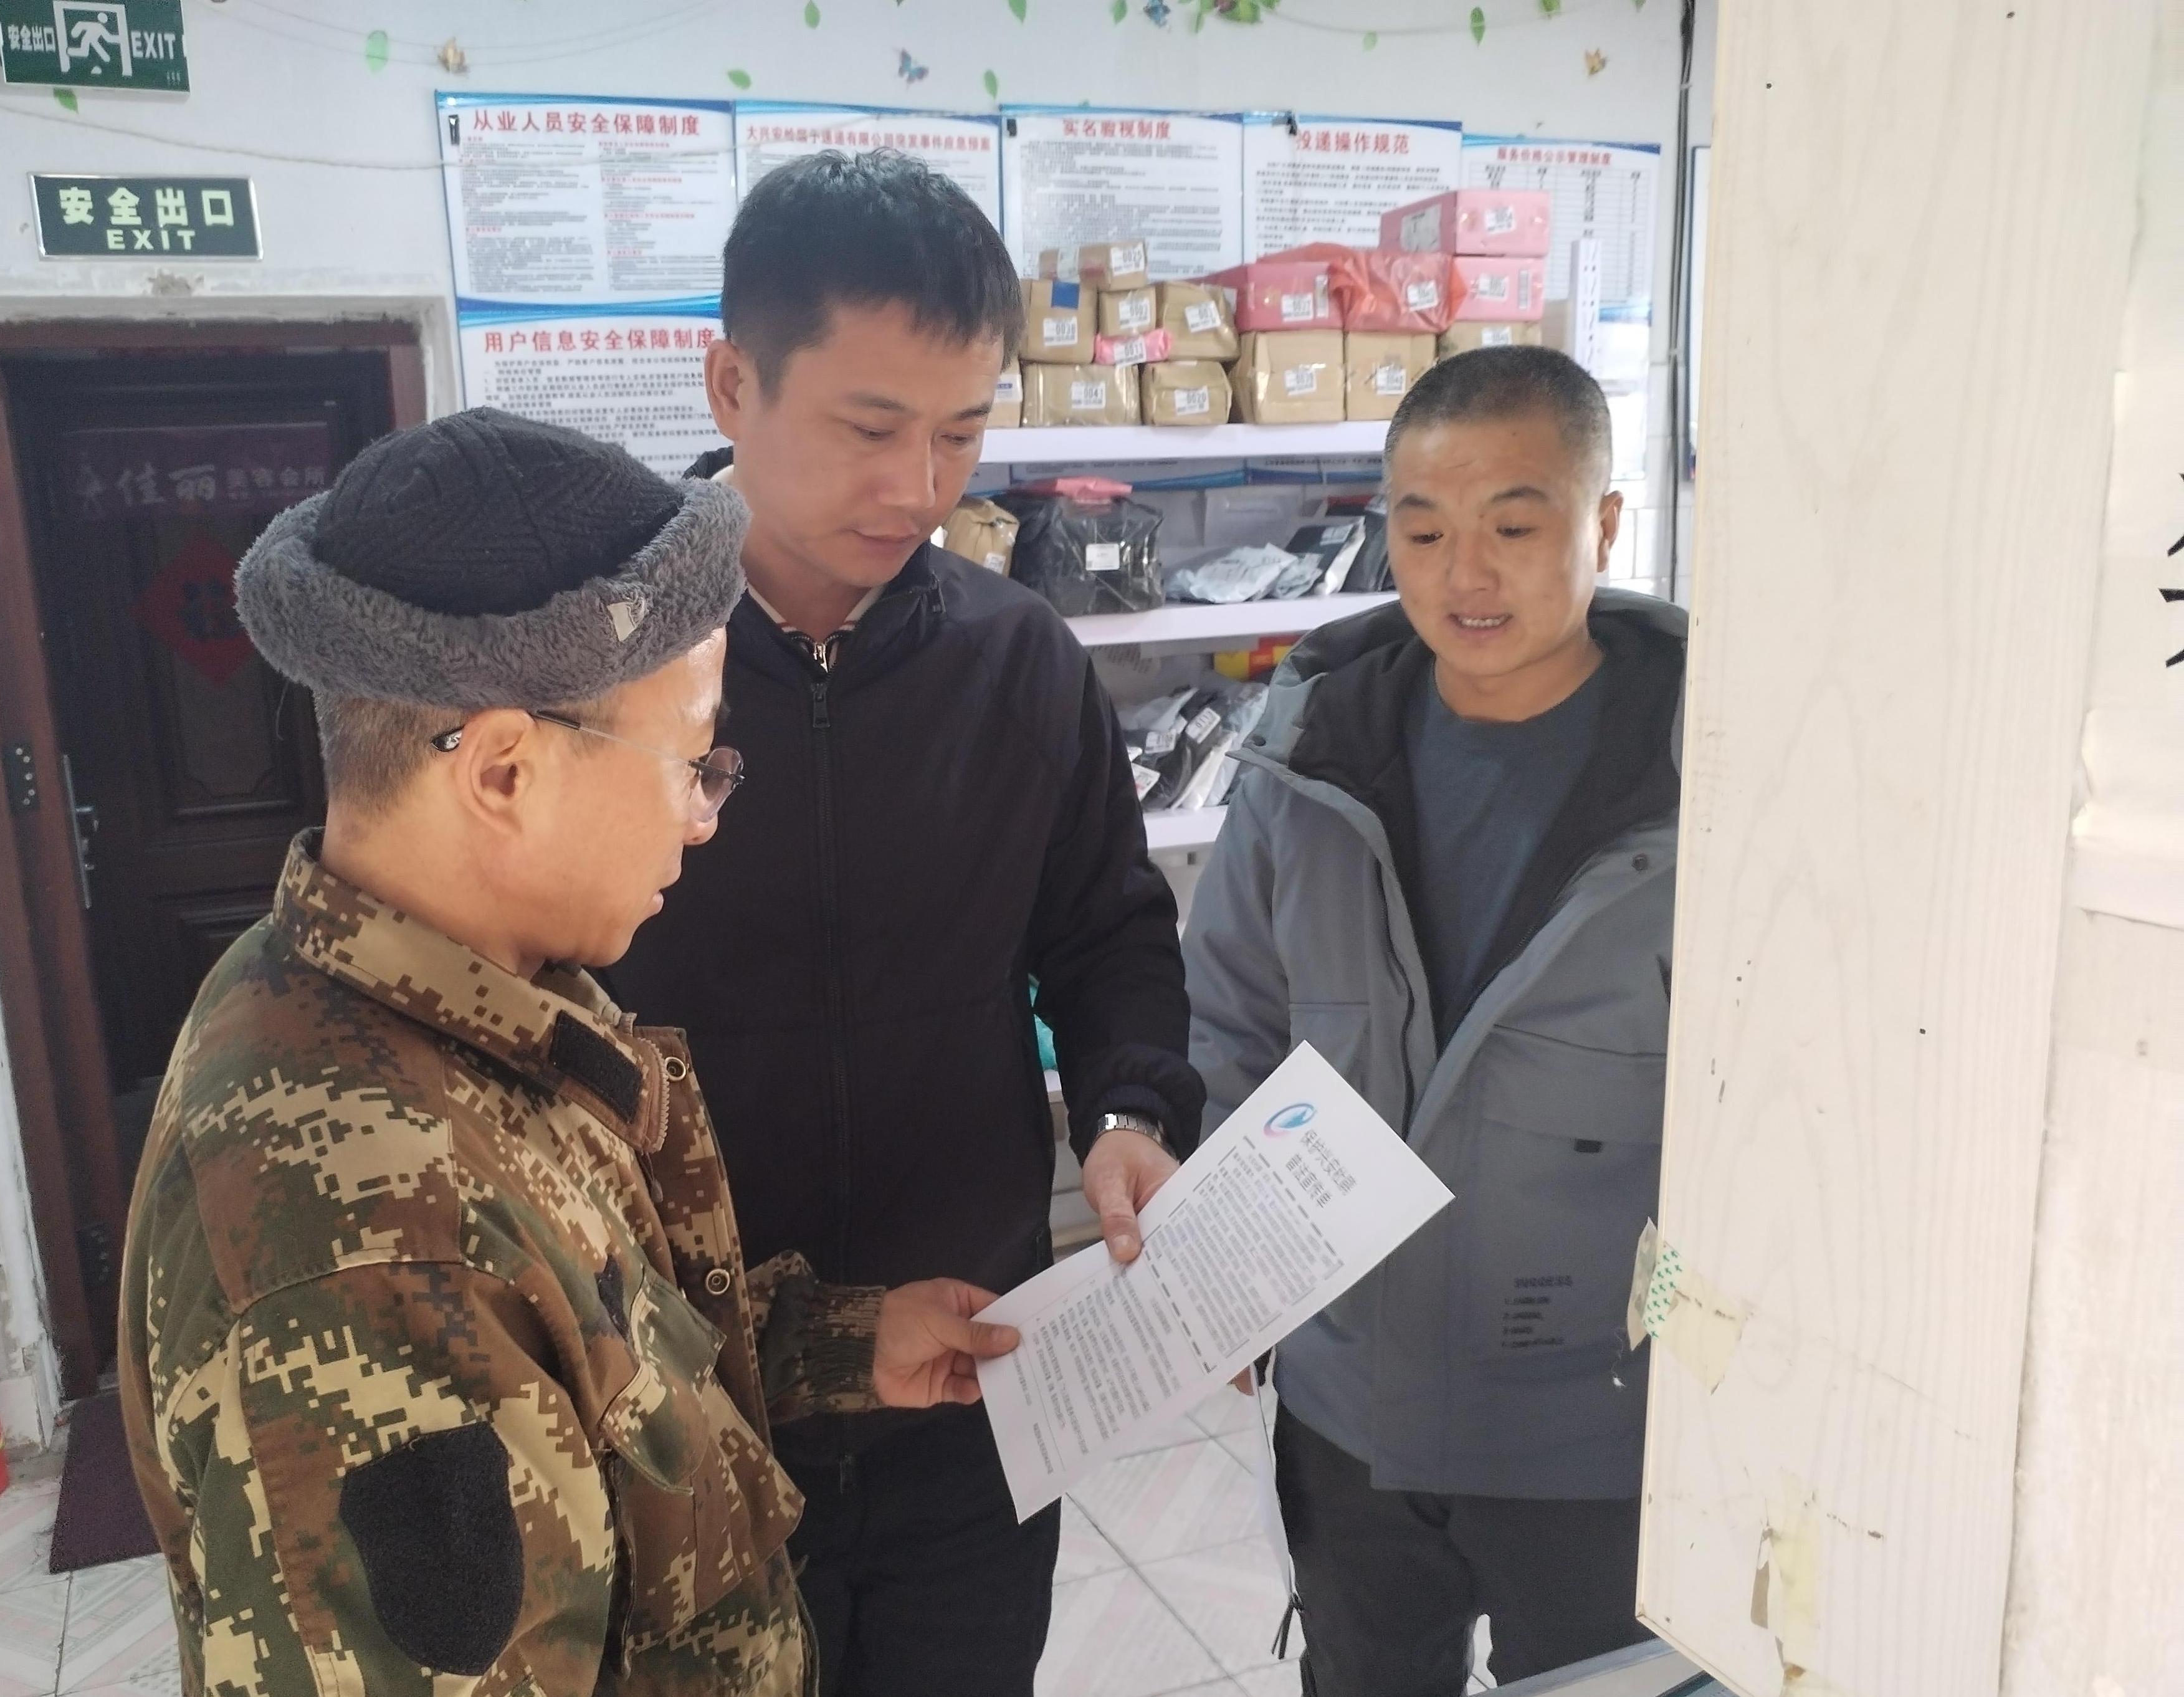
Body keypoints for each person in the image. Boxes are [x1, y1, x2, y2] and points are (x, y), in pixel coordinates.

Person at [116, 410, 1021, 1697]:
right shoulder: (374, 1243)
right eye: (691, 760)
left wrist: (842, 1341)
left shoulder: (424, 1003)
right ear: (502, 772)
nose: (703, 817)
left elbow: (597, 1353)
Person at [603, 150, 1206, 1697]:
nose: (920, 490)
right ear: (732, 385)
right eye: (869, 429)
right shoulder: (604, 674)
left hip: (973, 1372)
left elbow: (1105, 931)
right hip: (680, 1390)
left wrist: (1128, 1111)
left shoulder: (1019, 662)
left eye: (961, 432)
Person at [1185, 346, 1686, 1694]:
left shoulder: (1706, 779)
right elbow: (1230, 1025)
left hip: (1602, 1434)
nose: (1465, 576)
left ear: (1603, 526)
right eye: (1421, 532)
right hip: (1350, 1412)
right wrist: (1225, 1274)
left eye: (1513, 529)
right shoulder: (1309, 758)